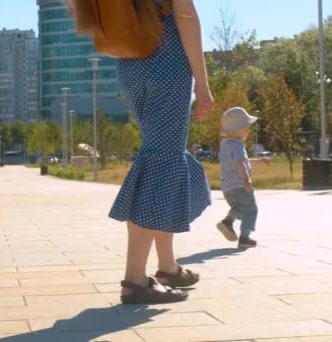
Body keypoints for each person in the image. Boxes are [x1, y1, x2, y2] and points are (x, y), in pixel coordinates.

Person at [69, 0, 214, 304]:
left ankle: (167, 266)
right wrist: (202, 83)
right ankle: (135, 280)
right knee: (162, 165)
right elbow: (185, 14)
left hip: (130, 66)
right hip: (168, 69)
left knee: (164, 160)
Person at [215, 107, 271, 249]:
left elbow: (240, 162)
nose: (249, 130)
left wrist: (259, 161)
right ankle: (244, 237)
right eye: (246, 127)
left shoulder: (225, 145)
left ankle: (228, 221)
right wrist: (246, 179)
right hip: (241, 185)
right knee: (250, 209)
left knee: (238, 208)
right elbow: (240, 163)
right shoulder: (238, 145)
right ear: (238, 129)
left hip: (228, 188)